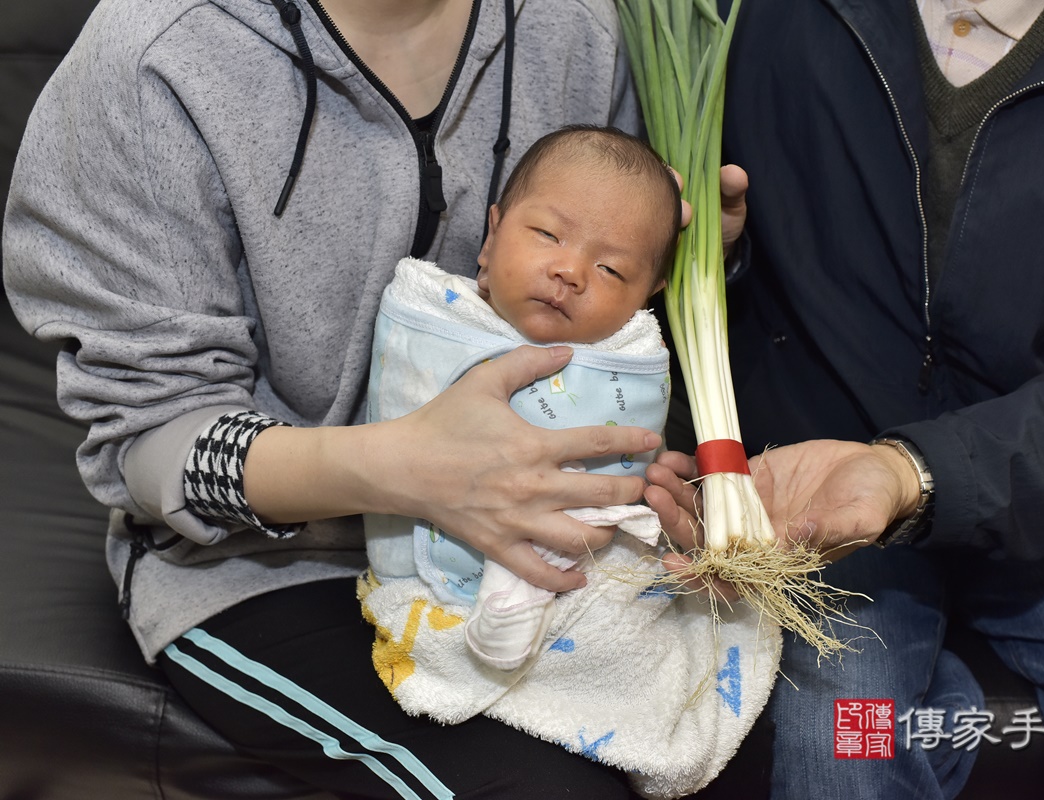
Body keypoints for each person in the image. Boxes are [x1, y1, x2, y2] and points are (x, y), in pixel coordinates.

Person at [1, 1, 750, 798]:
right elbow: (150, 445)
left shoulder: (576, 31)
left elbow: (608, 300)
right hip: (258, 569)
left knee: (771, 742)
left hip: (554, 564)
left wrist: (695, 260)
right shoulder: (159, 53)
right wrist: (403, 470)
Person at [645, 0, 1044, 798]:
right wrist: (704, 261)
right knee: (841, 752)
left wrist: (915, 473)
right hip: (808, 478)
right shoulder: (740, 17)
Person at [360, 125, 778, 800]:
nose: (570, 271)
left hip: (585, 571)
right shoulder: (435, 318)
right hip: (435, 572)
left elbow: (619, 483)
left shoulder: (629, 361)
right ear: (491, 236)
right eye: (547, 236)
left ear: (648, 294)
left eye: (611, 269)